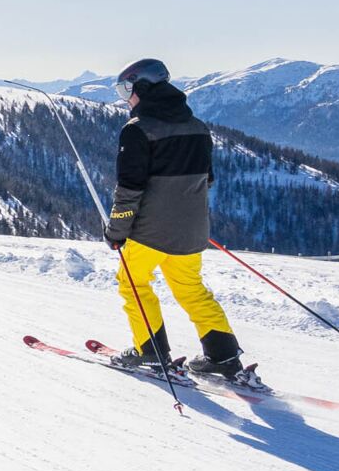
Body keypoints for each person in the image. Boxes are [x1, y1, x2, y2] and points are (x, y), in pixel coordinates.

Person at [105, 58, 250, 378]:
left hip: (149, 232)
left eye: (126, 89)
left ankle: (151, 352)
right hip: (192, 230)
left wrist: (116, 230)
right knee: (191, 288)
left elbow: (129, 189)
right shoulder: (198, 127)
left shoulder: (137, 129)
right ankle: (223, 357)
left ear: (142, 87)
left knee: (132, 283)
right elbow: (205, 180)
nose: (125, 98)